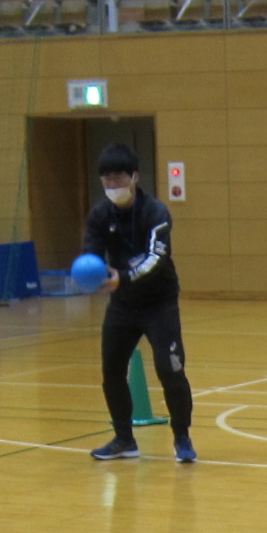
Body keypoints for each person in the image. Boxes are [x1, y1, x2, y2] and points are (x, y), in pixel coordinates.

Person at [82, 143, 197, 465]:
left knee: (169, 370)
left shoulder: (156, 213)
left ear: (134, 177)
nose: (112, 185)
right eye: (106, 180)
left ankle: (182, 437)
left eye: (118, 178)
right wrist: (89, 269)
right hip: (122, 306)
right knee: (112, 372)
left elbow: (156, 257)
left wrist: (123, 277)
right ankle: (124, 439)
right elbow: (90, 251)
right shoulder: (100, 215)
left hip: (159, 303)